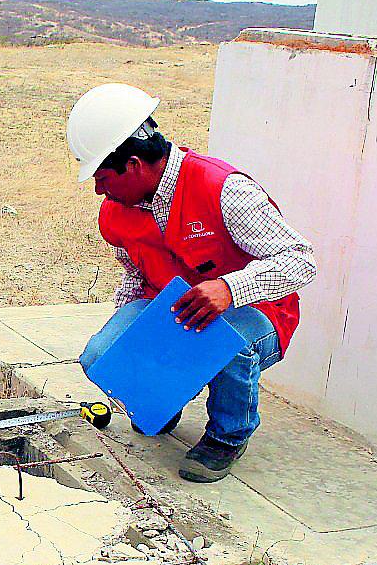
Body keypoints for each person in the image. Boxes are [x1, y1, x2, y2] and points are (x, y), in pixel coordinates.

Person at [67, 83, 316, 482]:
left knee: (227, 346)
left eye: (101, 176)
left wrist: (232, 289)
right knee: (101, 357)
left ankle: (228, 435)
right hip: (173, 308)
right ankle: (166, 397)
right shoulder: (116, 212)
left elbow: (301, 261)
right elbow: (135, 273)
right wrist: (136, 349)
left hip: (256, 312)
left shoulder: (223, 189)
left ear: (133, 165)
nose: (98, 189)